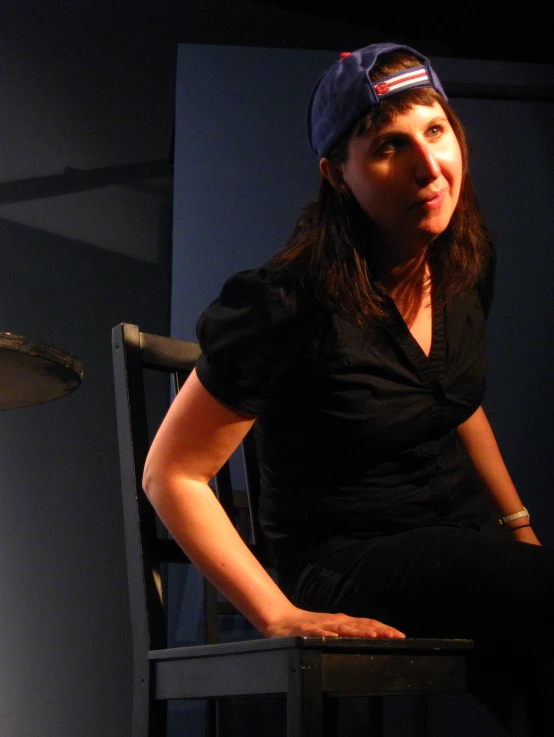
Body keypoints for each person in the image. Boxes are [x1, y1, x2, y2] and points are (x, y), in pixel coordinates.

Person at [143, 42, 554, 659]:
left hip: (461, 545)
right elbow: (172, 472)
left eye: (436, 130)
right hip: (342, 563)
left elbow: (457, 402)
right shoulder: (287, 301)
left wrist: (518, 528)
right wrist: (277, 614)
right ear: (337, 174)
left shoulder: (463, 264)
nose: (428, 165)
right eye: (390, 146)